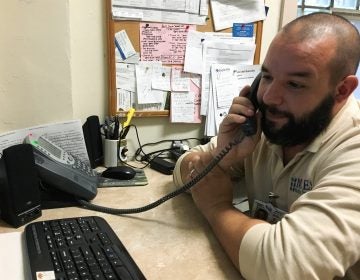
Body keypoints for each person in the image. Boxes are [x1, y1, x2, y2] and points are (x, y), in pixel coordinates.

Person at [173, 12, 360, 279]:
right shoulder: (267, 124)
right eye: (268, 77)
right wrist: (220, 158)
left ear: (341, 91)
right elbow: (180, 171)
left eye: (295, 84)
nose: (270, 98)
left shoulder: (352, 148)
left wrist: (217, 208)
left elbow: (284, 267)